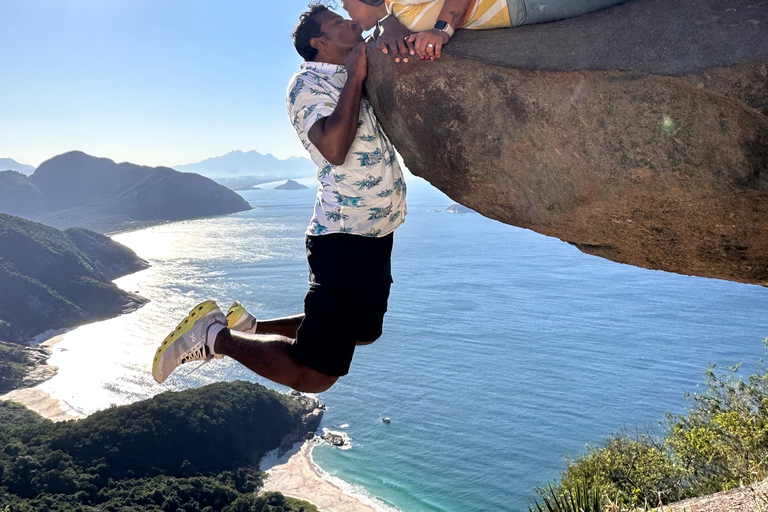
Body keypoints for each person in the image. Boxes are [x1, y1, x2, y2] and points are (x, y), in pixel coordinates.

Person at [151, 4, 406, 393]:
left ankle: (251, 327)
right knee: (315, 375)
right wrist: (355, 76)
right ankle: (214, 336)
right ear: (319, 43)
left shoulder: (351, 66)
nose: (350, 21)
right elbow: (334, 148)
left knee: (365, 332)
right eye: (338, 22)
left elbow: (392, 20)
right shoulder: (307, 85)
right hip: (342, 238)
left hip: (375, 233)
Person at [341, 0, 629, 61]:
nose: (344, 8)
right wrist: (384, 23)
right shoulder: (397, 12)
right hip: (523, 13)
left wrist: (443, 29)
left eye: (345, 2)